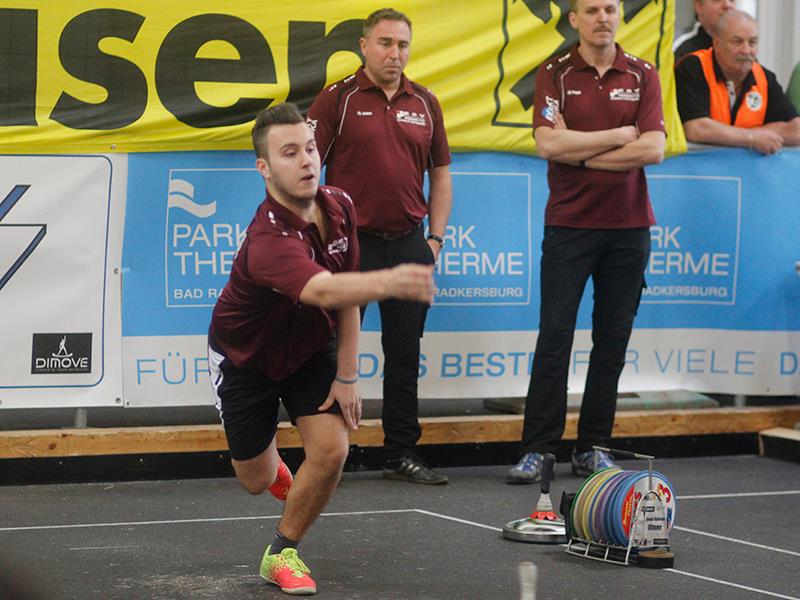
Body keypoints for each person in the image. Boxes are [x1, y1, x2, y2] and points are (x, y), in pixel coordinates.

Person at [207, 102, 435, 595]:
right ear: (265, 168)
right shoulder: (268, 239)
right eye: (289, 153)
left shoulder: (340, 205)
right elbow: (325, 290)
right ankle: (275, 470)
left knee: (332, 450)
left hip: (310, 347)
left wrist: (347, 375)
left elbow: (345, 293)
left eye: (310, 148)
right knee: (254, 480)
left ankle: (281, 552)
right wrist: (392, 280)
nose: (306, 160)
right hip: (247, 359)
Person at [507, 0, 665, 484]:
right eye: (592, 10)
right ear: (574, 19)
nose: (603, 18)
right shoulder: (553, 72)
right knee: (554, 337)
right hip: (570, 226)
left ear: (619, 16)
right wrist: (620, 135)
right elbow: (548, 144)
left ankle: (593, 448)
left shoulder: (642, 73)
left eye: (610, 8)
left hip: (629, 228)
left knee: (611, 342)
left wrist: (580, 152)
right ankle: (538, 450)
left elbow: (654, 148)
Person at [307, 8, 453, 485]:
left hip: (410, 244)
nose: (395, 53)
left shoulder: (426, 102)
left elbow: (441, 175)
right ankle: (325, 453)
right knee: (331, 351)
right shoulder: (338, 99)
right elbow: (306, 169)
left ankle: (401, 454)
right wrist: (319, 236)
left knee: (405, 353)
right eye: (386, 43)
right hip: (352, 246)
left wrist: (434, 240)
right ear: (364, 46)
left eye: (402, 45)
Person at [675, 10, 800, 155]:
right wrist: (751, 138)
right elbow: (696, 129)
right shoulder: (694, 67)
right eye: (737, 42)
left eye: (752, 42)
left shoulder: (764, 77)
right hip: (696, 166)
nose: (746, 50)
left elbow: (796, 130)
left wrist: (737, 136)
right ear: (717, 44)